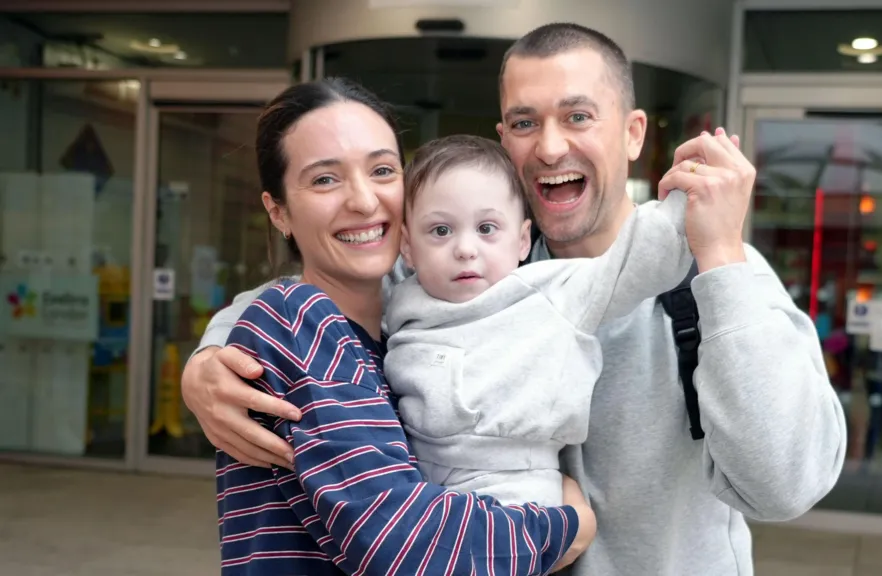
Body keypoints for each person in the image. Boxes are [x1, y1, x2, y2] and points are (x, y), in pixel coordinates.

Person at [184, 23, 846, 575]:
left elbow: (785, 487)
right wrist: (210, 359)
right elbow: (317, 295)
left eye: (578, 116)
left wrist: (722, 258)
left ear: (634, 133)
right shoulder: (469, 270)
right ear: (505, 141)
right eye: (526, 122)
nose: (550, 145)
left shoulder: (712, 278)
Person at [215, 77, 596, 575]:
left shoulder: (399, 330)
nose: (363, 200)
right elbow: (409, 549)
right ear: (279, 211)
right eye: (325, 179)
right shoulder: (297, 322)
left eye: (382, 170)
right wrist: (569, 523)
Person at [385, 134, 692, 507]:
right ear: (406, 246)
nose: (465, 249)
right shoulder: (397, 306)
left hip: (516, 489)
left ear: (522, 240)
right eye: (440, 231)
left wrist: (687, 196)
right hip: (418, 487)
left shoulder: (551, 292)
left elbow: (632, 262)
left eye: (486, 229)